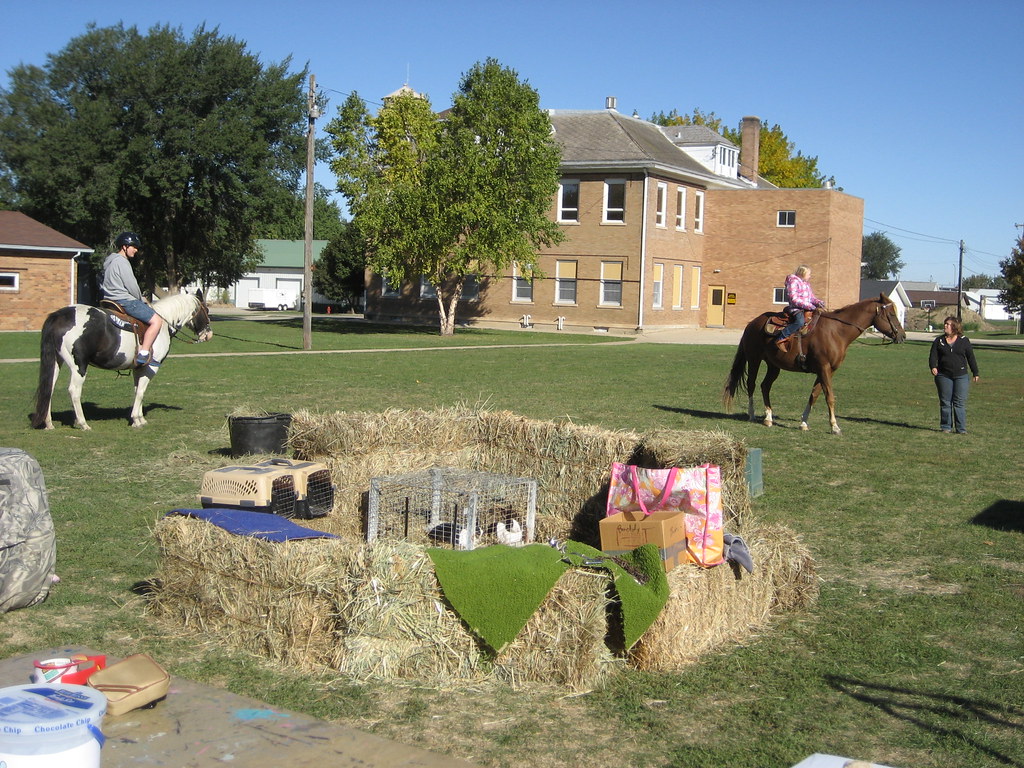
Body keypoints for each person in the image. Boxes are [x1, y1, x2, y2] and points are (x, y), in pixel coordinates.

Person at [100, 232, 164, 366]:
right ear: (124, 247)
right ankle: (144, 353)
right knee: (157, 321)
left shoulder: (109, 262)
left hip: (109, 300)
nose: (136, 250)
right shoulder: (122, 262)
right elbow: (131, 285)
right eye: (133, 247)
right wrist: (141, 299)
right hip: (124, 300)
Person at [929, 316, 980, 434]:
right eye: (945, 323)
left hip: (961, 376)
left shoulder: (964, 340)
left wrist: (975, 372)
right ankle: (946, 427)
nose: (945, 326)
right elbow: (933, 356)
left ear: (954, 327)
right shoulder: (939, 341)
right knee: (945, 402)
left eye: (948, 324)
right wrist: (933, 367)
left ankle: (961, 429)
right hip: (943, 375)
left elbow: (971, 357)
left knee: (959, 402)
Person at [776, 265, 826, 350]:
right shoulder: (793, 282)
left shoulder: (806, 284)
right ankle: (782, 337)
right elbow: (794, 299)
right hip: (796, 308)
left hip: (807, 308)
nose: (810, 276)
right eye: (808, 274)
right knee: (800, 322)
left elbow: (811, 298)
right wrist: (810, 306)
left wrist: (818, 302)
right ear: (802, 273)